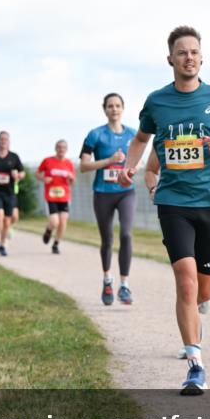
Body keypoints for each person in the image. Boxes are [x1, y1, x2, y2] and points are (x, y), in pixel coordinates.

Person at [120, 25, 210, 396]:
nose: (188, 57)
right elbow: (141, 139)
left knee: (207, 287)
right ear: (170, 59)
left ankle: (199, 311)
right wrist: (132, 165)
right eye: (181, 52)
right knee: (186, 281)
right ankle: (195, 363)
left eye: (194, 51)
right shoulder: (157, 102)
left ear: (201, 57)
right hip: (173, 202)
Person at [144, 149, 210, 358]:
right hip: (178, 212)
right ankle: (192, 338)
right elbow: (150, 170)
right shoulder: (168, 129)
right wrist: (154, 187)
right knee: (187, 283)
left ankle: (197, 306)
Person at [80, 93, 138, 305]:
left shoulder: (133, 134)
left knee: (126, 235)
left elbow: (139, 162)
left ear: (123, 108)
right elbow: (84, 166)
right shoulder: (95, 135)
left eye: (118, 105)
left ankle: (124, 285)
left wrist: (131, 169)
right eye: (110, 106)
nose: (114, 109)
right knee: (107, 239)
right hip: (103, 193)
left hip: (126, 192)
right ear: (104, 109)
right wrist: (109, 161)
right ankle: (107, 279)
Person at [37, 139, 76, 255]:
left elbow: (73, 182)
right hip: (51, 196)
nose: (61, 150)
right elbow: (37, 173)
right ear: (56, 148)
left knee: (63, 221)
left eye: (63, 147)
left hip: (64, 197)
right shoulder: (47, 161)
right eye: (59, 147)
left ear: (66, 150)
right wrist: (43, 179)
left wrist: (71, 178)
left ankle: (56, 244)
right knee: (54, 222)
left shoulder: (69, 163)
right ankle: (49, 230)